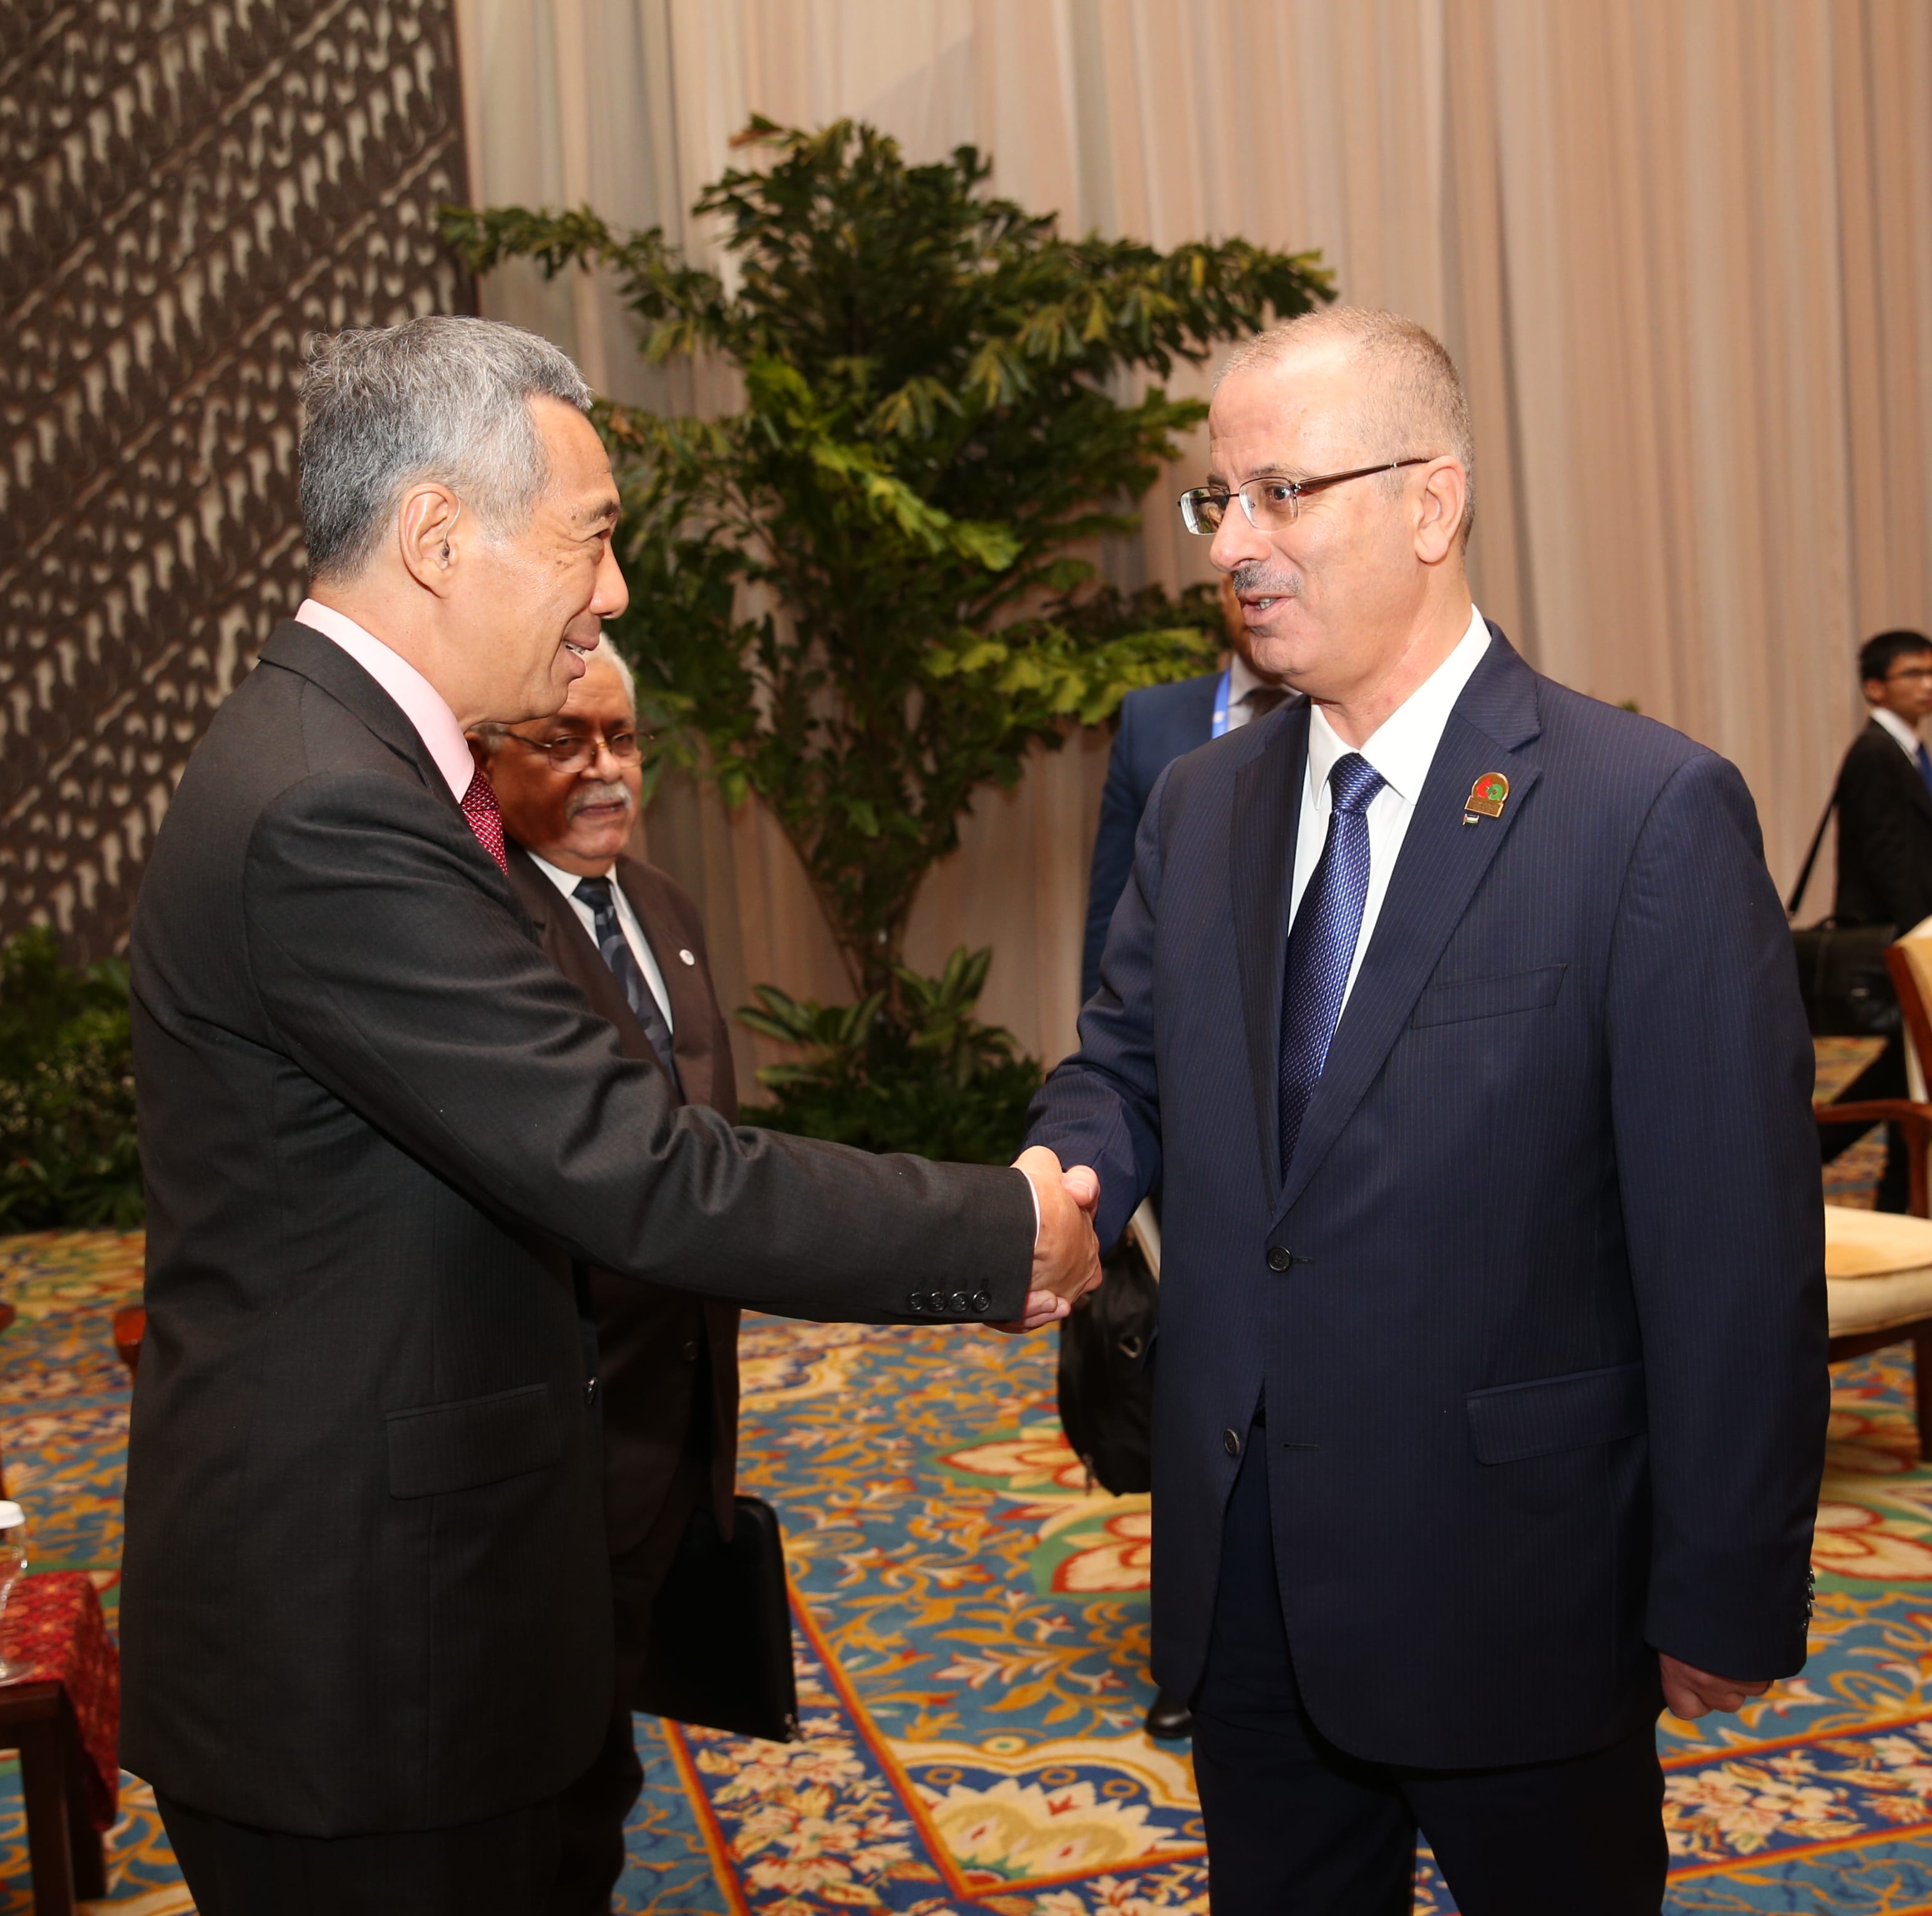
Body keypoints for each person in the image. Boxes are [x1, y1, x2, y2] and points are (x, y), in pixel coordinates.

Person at [120, 315, 1102, 1914]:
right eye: (591, 536)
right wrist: (1005, 1229)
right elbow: (633, 1166)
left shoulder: (347, 760)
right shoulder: (329, 808)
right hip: (360, 1666)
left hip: (430, 1607)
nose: (616, 590)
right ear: (438, 535)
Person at [1027, 307, 1827, 1914]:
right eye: (1218, 501)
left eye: (1280, 493)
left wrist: (1726, 1585)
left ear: (1430, 503)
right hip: (1248, 1560)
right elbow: (1122, 1061)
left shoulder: (1643, 811)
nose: (1231, 545)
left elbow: (1732, 1248)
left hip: (1518, 1581)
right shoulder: (1198, 804)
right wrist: (1063, 1174)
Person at [468, 643, 741, 1913]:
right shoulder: (481, 930)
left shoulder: (665, 907)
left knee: (609, 1742)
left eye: (622, 739)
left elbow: (710, 1153)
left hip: (671, 1411)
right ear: (486, 758)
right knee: (548, 1769)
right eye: (563, 740)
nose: (606, 770)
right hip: (554, 1434)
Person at [1077, 595, 1291, 1746]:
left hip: (1317, 1100)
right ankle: (1193, 1647)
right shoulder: (1157, 728)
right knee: (1192, 1369)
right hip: (1187, 1103)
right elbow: (1113, 927)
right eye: (1223, 512)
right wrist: (1102, 1129)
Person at [1817, 629, 1932, 1211]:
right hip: (1905, 945)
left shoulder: (1905, 751)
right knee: (1906, 1076)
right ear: (1875, 688)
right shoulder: (1877, 753)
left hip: (1918, 941)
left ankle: (1895, 1196)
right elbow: (1888, 861)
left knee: (1909, 1076)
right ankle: (1810, 1157)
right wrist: (1923, 948)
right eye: (1913, 674)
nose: (1929, 685)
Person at [1082, 594, 1294, 1002]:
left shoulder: (1343, 712)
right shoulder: (1149, 718)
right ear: (1222, 592)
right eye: (1241, 579)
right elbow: (1113, 903)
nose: (1258, 595)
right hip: (1182, 1007)